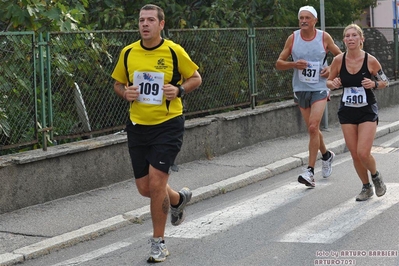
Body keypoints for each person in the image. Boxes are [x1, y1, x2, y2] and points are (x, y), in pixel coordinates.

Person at [111, 4, 202, 262]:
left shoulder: (173, 51)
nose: (145, 24)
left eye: (151, 20)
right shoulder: (128, 53)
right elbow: (118, 83)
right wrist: (124, 92)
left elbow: (195, 78)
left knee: (157, 182)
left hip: (168, 124)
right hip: (138, 126)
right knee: (145, 188)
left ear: (161, 24)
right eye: (141, 20)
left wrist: (180, 90)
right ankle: (177, 200)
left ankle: (158, 243)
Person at [275, 6, 342, 188]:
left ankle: (310, 172)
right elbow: (279, 63)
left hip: (320, 87)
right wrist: (293, 64)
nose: (303, 21)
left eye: (307, 18)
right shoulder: (293, 38)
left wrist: (330, 69)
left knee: (313, 126)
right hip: (300, 88)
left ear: (315, 21)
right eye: (301, 18)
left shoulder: (323, 37)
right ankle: (327, 155)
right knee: (313, 130)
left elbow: (340, 56)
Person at [326, 24, 388, 201]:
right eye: (347, 36)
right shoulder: (338, 60)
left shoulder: (371, 60)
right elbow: (328, 82)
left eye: (354, 35)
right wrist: (334, 83)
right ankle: (366, 187)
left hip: (367, 110)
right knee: (354, 154)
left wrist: (374, 84)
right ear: (344, 40)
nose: (350, 38)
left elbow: (385, 81)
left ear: (361, 39)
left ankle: (376, 177)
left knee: (363, 152)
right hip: (347, 111)